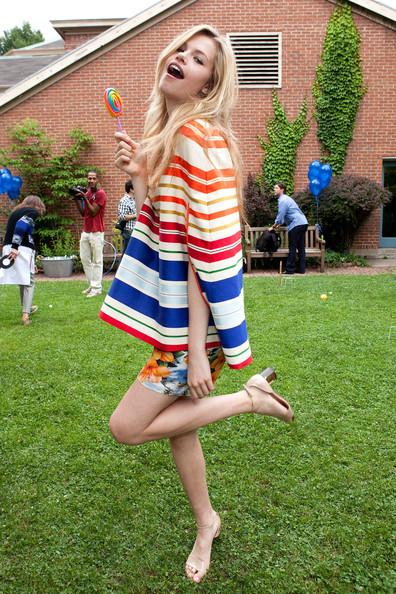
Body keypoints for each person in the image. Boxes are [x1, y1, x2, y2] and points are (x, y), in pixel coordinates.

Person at [100, 25, 294, 584]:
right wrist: (139, 180)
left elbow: (203, 253)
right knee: (178, 427)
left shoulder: (195, 137)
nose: (183, 59)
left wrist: (195, 348)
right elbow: (166, 234)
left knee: (128, 427)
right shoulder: (179, 136)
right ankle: (207, 521)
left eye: (199, 57)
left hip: (190, 328)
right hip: (183, 320)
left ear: (210, 84)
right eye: (182, 51)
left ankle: (249, 400)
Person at [0, 195, 46, 325]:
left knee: (22, 279)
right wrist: (15, 247)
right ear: (37, 204)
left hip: (8, 247)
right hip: (21, 249)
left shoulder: (16, 212)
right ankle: (26, 315)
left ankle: (28, 306)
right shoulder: (32, 211)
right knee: (29, 281)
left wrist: (12, 247)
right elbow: (21, 227)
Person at [72, 171, 106, 297]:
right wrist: (76, 199)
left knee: (97, 261)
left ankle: (97, 288)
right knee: (84, 259)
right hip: (86, 231)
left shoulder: (100, 193)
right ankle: (92, 285)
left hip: (96, 232)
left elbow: (93, 212)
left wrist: (84, 197)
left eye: (93, 178)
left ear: (97, 180)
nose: (91, 180)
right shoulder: (88, 193)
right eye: (89, 178)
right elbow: (83, 213)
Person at [269, 182, 308, 275]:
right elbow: (286, 215)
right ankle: (301, 269)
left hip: (296, 224)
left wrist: (273, 226)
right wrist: (279, 224)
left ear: (282, 189)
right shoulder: (287, 199)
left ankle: (290, 270)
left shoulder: (283, 200)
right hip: (303, 223)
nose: (274, 189)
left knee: (293, 247)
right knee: (301, 247)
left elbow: (280, 215)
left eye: (276, 188)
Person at [117, 179, 137, 254]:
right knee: (126, 255)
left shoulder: (134, 200)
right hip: (128, 231)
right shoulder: (124, 200)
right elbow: (121, 216)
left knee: (133, 255)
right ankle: (121, 266)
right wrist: (135, 215)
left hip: (134, 231)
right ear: (131, 189)